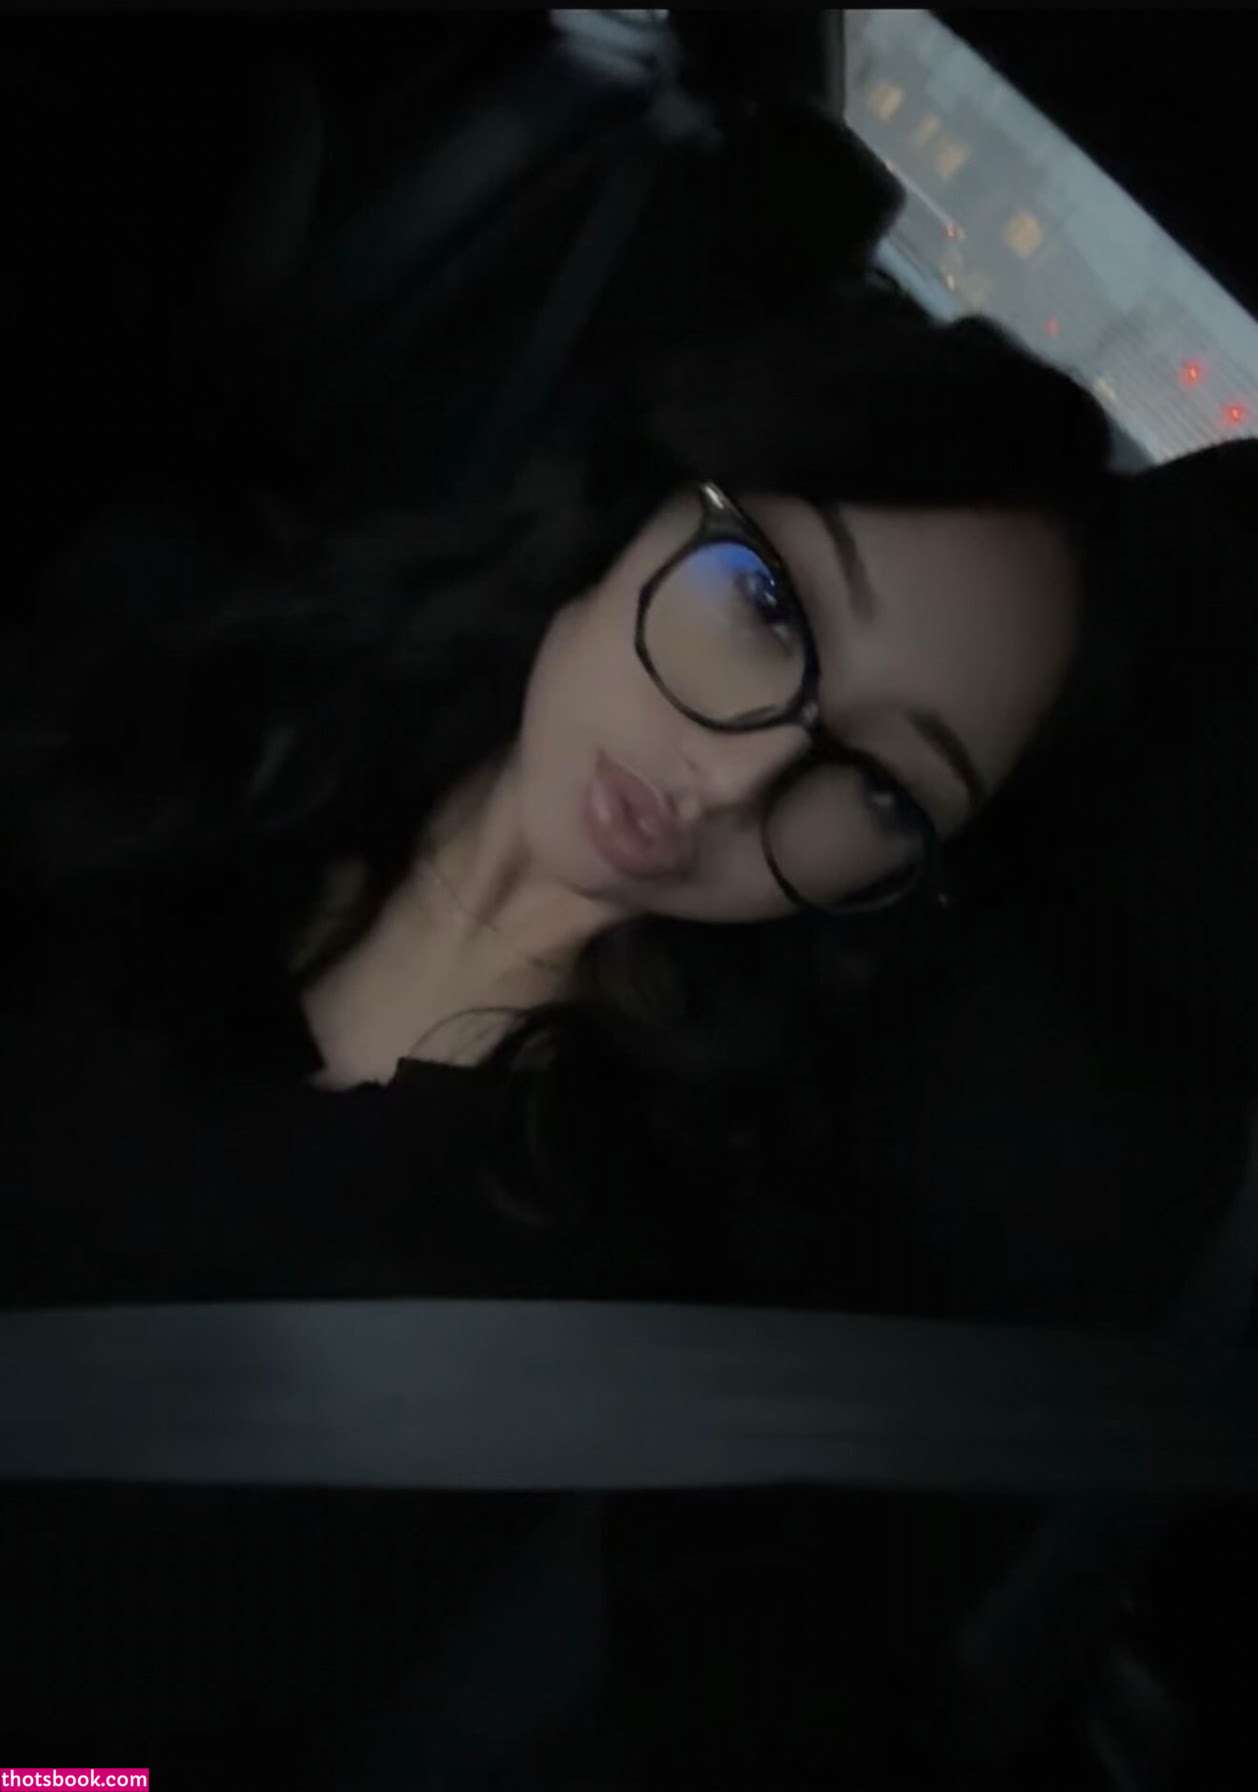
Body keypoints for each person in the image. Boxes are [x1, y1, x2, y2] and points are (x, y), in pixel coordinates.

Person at [0, 285, 1119, 1780]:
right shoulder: (188, 654)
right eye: (767, 610)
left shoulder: (623, 1304)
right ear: (654, 498)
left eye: (881, 789)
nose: (739, 780)